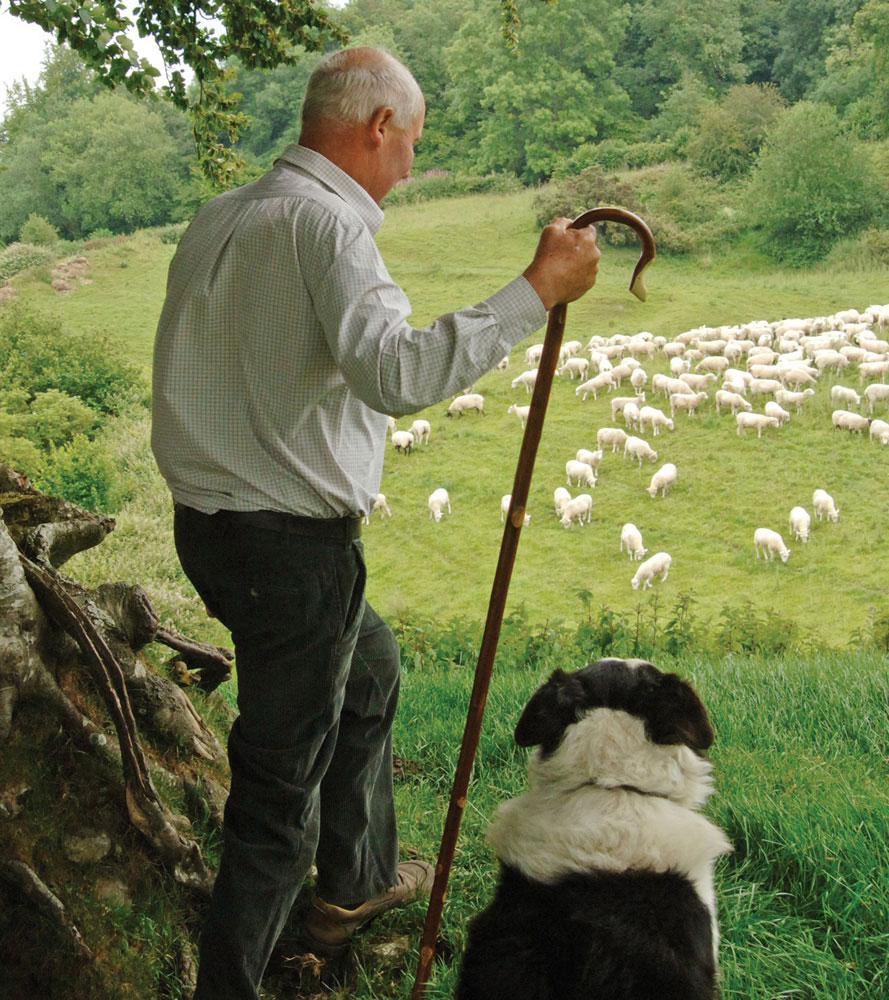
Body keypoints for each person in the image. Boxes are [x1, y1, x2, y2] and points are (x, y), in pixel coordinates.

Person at [151, 45, 600, 1000]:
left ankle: (355, 885)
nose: (410, 169)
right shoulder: (329, 228)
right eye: (412, 146)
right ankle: (234, 980)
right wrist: (537, 291)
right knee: (278, 792)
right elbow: (394, 374)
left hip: (212, 528)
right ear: (378, 127)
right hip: (289, 550)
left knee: (372, 667)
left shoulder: (224, 214)